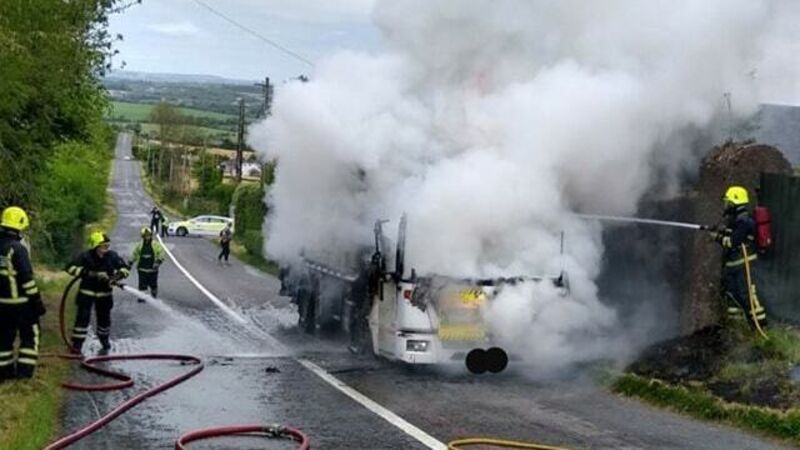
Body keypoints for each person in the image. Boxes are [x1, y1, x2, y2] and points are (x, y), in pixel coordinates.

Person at [0, 206, 46, 380]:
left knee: (3, 341)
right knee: (30, 337)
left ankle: (4, 375)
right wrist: (37, 302)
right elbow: (27, 278)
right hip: (21, 305)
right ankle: (24, 376)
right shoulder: (17, 249)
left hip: (1, 305)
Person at [711, 186, 767, 329]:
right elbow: (731, 234)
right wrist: (721, 231)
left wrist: (717, 237)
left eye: (728, 202)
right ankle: (736, 328)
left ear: (735, 202)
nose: (726, 205)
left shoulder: (744, 222)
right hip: (734, 266)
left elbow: (732, 242)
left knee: (747, 295)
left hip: (744, 266)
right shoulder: (736, 221)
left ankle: (760, 326)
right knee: (733, 296)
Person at [65, 231, 130, 353]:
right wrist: (89, 273)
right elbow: (70, 268)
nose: (106, 249)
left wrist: (115, 278)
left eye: (107, 246)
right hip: (86, 292)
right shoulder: (85, 256)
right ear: (96, 246)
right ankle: (77, 344)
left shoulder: (112, 256)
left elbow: (125, 269)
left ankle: (104, 340)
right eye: (103, 246)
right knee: (82, 318)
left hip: (104, 294)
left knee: (104, 319)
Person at [131, 227, 166, 303]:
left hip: (152, 269)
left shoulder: (155, 244)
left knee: (153, 284)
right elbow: (135, 254)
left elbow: (161, 253)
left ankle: (154, 296)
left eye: (149, 235)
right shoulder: (139, 245)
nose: (147, 237)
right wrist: (130, 262)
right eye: (145, 236)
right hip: (142, 269)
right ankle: (142, 297)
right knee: (142, 285)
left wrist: (158, 262)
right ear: (143, 236)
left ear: (151, 236)